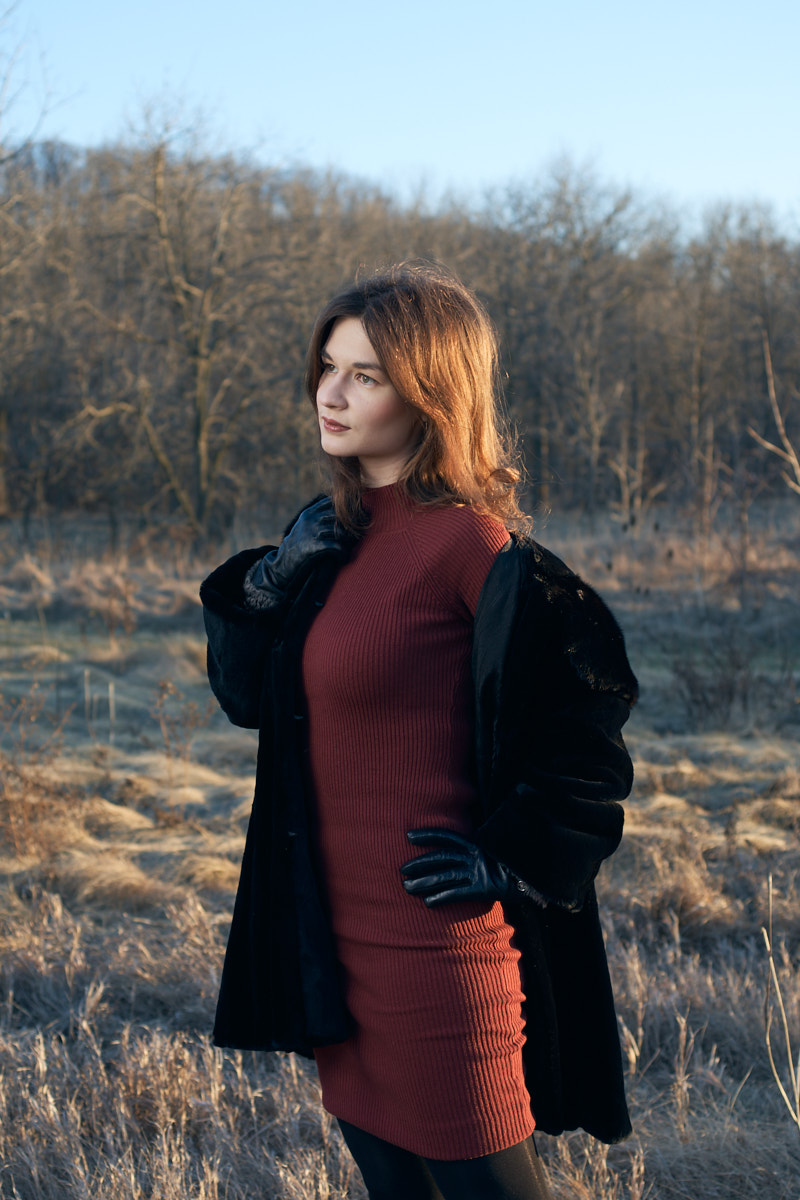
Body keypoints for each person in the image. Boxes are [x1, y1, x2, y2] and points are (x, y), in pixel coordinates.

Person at [200, 261, 638, 1200]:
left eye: (366, 374)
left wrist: (513, 854)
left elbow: (587, 712)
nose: (331, 391)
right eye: (327, 364)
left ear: (433, 391)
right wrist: (274, 581)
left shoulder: (469, 545)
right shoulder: (334, 536)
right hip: (332, 937)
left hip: (436, 951)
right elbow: (249, 698)